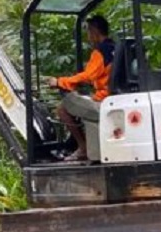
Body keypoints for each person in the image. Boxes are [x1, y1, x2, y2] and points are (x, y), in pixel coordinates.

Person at [45, 15, 114, 162]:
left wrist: (59, 82)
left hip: (104, 101)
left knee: (62, 109)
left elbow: (88, 76)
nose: (88, 37)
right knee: (78, 101)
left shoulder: (100, 52)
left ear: (95, 31)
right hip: (114, 97)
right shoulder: (115, 48)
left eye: (89, 32)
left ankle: (83, 148)